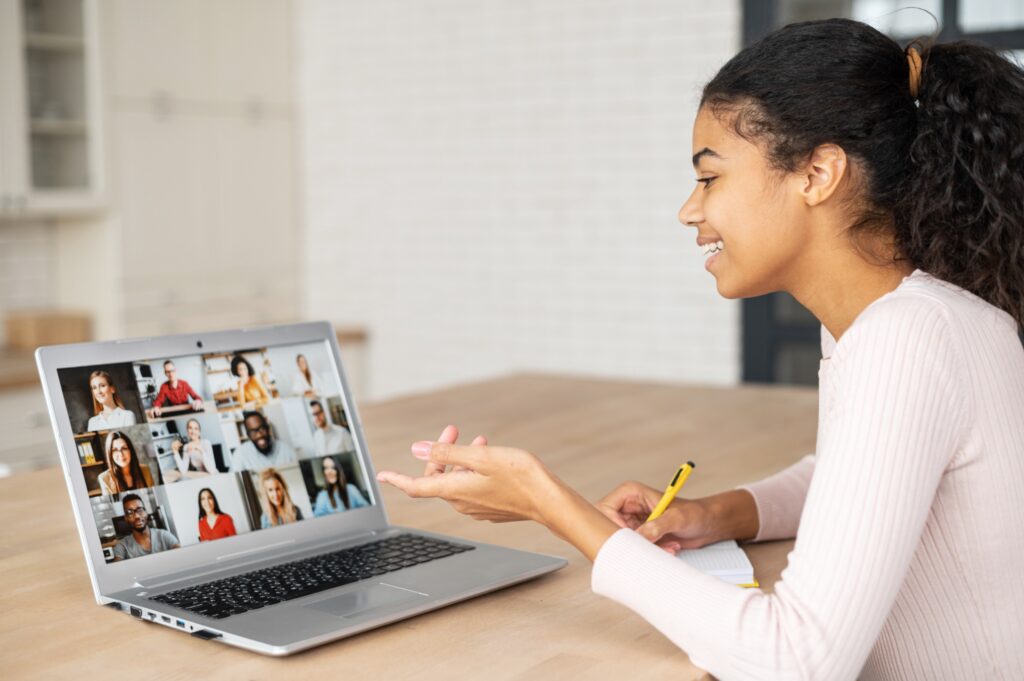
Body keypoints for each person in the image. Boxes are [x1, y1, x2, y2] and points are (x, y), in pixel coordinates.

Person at [375, 20, 1024, 679]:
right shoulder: (907, 319)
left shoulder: (906, 339)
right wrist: (717, 513)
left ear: (817, 174)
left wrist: (547, 501)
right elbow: (857, 475)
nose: (690, 209)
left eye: (710, 178)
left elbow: (795, 660)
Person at [112, 493, 180, 561]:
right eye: (130, 513)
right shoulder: (122, 545)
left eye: (140, 510)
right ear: (126, 518)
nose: (137, 516)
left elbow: (182, 555)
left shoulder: (164, 535)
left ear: (146, 513)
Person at [228, 410, 297, 473]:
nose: (259, 435)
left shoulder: (285, 448)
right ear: (248, 436)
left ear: (268, 429)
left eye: (262, 429)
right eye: (253, 432)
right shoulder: (240, 454)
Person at [97, 431, 149, 496]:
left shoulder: (145, 470)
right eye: (115, 450)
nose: (121, 454)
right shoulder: (104, 478)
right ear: (110, 454)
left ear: (130, 450)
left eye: (124, 448)